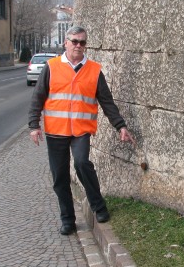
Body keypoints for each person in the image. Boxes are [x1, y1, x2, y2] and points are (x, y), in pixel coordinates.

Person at [28, 26, 135, 235]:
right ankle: (68, 219)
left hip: (81, 130)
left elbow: (107, 102)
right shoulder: (51, 67)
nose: (78, 45)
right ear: (65, 43)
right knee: (59, 176)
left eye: (82, 42)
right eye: (74, 41)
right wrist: (34, 125)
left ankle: (99, 206)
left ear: (85, 45)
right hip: (56, 130)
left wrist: (120, 126)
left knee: (81, 163)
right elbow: (37, 97)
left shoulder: (94, 70)